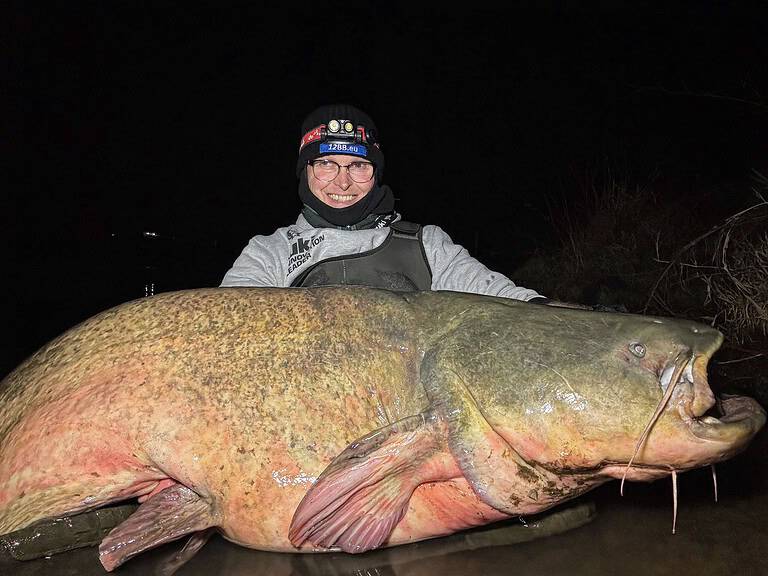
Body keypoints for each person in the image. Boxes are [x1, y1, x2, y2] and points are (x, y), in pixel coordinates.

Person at [220, 103, 547, 303]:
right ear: (304, 171)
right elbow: (229, 324)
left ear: (376, 172)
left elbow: (503, 300)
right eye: (326, 164)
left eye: (358, 166)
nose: (342, 181)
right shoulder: (269, 253)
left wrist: (543, 310)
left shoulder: (425, 245)